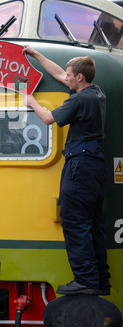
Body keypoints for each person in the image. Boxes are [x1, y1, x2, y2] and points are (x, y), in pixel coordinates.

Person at [22, 46, 110, 296]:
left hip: (79, 163)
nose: (66, 78)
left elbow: (49, 118)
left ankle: (84, 279)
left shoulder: (79, 99)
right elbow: (60, 74)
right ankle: (100, 280)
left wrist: (31, 102)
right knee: (93, 223)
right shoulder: (96, 92)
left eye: (70, 75)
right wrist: (37, 56)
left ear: (80, 77)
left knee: (74, 220)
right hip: (93, 162)